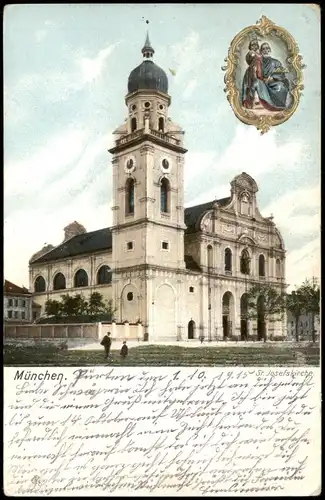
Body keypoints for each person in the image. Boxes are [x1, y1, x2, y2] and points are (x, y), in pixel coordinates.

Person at [242, 41, 290, 111]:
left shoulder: (276, 62)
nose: (265, 50)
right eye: (263, 49)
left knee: (281, 87)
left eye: (267, 48)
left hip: (274, 83)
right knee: (256, 83)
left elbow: (283, 73)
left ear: (270, 50)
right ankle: (249, 104)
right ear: (261, 51)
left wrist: (273, 78)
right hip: (263, 85)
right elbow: (252, 69)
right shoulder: (258, 62)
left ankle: (278, 105)